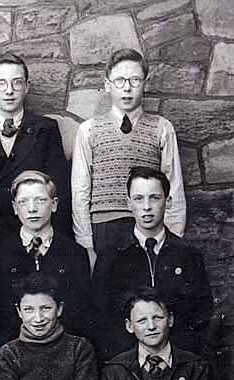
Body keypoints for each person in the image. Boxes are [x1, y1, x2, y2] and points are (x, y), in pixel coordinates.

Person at [72, 48, 186, 269]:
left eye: (134, 80)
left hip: (149, 227)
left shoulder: (162, 128)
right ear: (107, 84)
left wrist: (174, 238)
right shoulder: (89, 130)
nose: (127, 87)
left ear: (145, 83)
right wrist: (86, 244)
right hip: (104, 230)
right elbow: (80, 190)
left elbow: (174, 187)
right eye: (120, 80)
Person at [0, 52, 71, 260]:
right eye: (1, 83)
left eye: (16, 83)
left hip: (32, 238)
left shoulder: (45, 129)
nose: (9, 91)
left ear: (26, 87)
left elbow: (59, 188)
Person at [94, 167, 212, 360]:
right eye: (139, 198)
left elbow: (201, 313)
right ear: (128, 203)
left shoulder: (187, 254)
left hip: (178, 360)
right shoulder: (111, 256)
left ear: (168, 201)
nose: (147, 207)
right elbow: (101, 313)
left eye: (155, 198)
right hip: (127, 363)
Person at [0, 170, 91, 365]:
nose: (32, 209)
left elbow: (81, 314)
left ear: (54, 204)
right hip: (16, 361)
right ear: (14, 207)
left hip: (64, 359)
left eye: (40, 200)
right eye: (23, 202)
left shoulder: (75, 254)